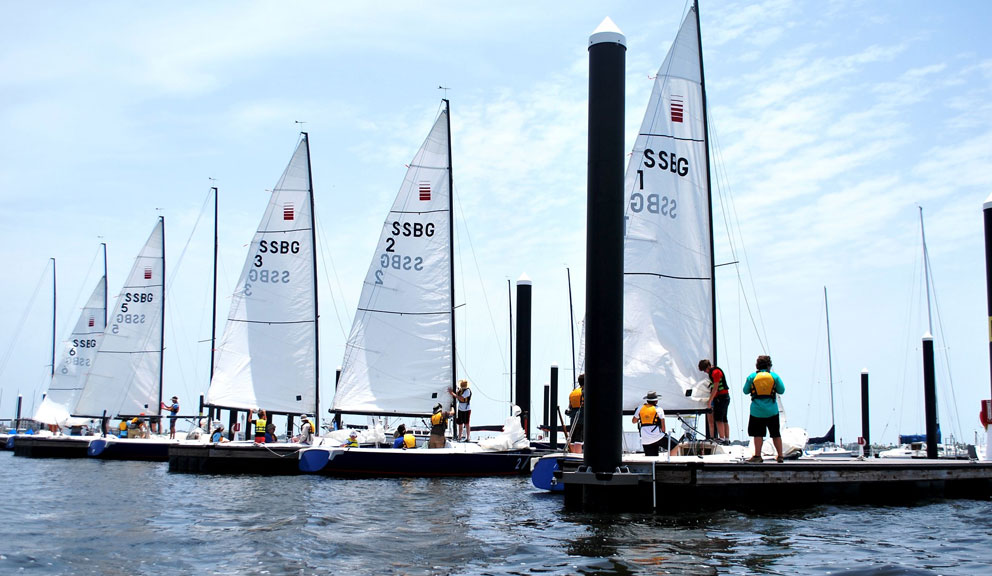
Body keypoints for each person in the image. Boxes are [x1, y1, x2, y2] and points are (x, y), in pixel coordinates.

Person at [743, 354, 786, 463]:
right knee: (775, 433)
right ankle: (780, 456)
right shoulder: (774, 376)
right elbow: (782, 390)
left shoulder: (752, 376)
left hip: (756, 410)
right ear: (769, 366)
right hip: (772, 410)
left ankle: (757, 456)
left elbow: (745, 391)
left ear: (757, 365)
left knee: (758, 434)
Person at [632, 391, 678, 456]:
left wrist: (643, 417)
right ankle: (669, 463)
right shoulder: (659, 409)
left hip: (645, 439)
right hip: (657, 436)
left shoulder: (640, 408)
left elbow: (634, 421)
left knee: (652, 459)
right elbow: (663, 428)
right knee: (675, 445)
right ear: (656, 401)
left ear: (647, 400)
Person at [699, 359, 730, 443]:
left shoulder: (715, 372)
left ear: (708, 366)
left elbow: (715, 388)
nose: (705, 372)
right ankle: (726, 439)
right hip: (723, 397)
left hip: (721, 398)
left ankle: (722, 438)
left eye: (705, 370)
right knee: (724, 419)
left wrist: (710, 401)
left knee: (719, 419)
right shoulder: (713, 372)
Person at [567, 374, 585, 443]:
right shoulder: (585, 392)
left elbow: (570, 406)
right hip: (583, 420)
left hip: (573, 420)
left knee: (573, 441)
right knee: (580, 441)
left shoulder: (573, 393)